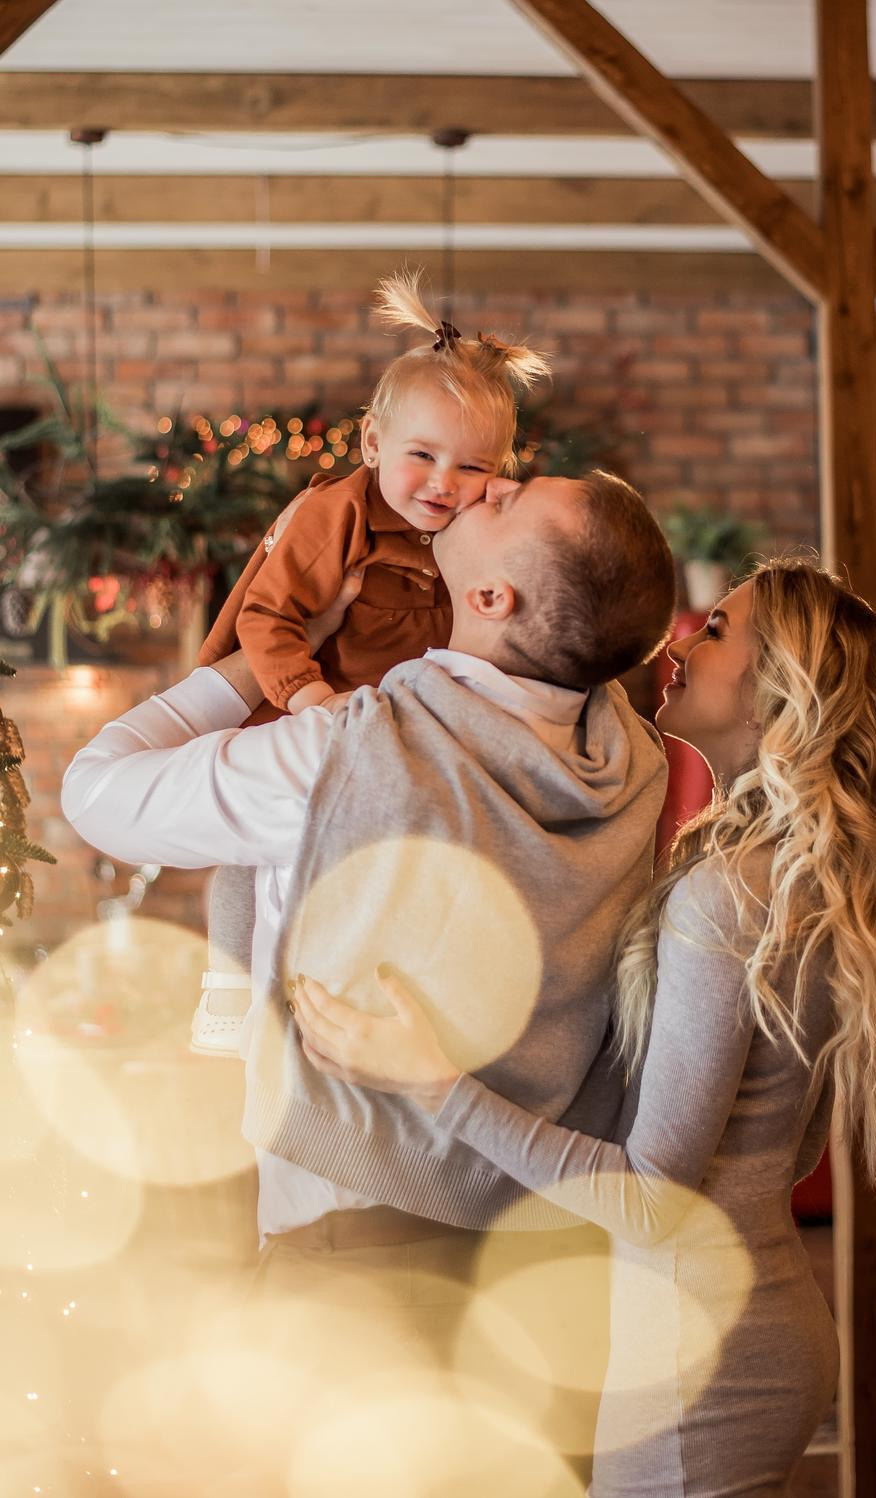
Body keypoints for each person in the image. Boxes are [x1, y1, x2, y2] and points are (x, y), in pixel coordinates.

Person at [290, 558, 876, 1496]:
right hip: (740, 1325)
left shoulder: (730, 896)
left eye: (717, 631)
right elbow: (780, 1149)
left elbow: (656, 1200)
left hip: (702, 1360)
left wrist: (432, 1081)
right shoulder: (785, 882)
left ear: (778, 690)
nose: (682, 643)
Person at [61, 465, 676, 1480]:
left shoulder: (347, 754)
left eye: (509, 500)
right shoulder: (633, 763)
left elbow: (95, 791)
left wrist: (258, 661)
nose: (489, 483)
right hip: (549, 1264)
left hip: (361, 1271)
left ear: (492, 599)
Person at [191, 269, 550, 1055]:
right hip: (304, 708)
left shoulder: (470, 530)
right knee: (258, 854)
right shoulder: (337, 515)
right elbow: (266, 615)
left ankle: (349, 991)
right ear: (374, 443)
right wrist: (308, 697)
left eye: (474, 467)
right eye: (423, 454)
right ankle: (228, 990)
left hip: (385, 728)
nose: (444, 483)